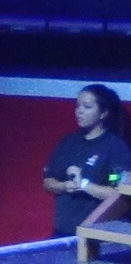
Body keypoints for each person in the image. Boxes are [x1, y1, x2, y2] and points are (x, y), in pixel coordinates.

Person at [41, 84, 130, 237]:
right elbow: (48, 182)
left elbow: (118, 194)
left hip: (96, 235)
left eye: (87, 107)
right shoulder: (68, 142)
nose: (79, 111)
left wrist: (83, 185)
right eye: (77, 106)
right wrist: (63, 186)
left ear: (103, 113)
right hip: (62, 232)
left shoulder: (115, 149)